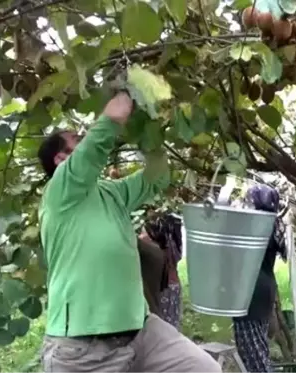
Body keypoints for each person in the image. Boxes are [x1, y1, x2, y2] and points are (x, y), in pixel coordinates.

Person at [37, 91, 221, 373]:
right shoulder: (59, 193)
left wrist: (149, 133)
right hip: (83, 348)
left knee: (203, 369)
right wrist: (114, 114)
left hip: (140, 330)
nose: (85, 138)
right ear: (61, 160)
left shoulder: (111, 192)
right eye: (78, 140)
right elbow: (93, 149)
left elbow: (157, 176)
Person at [233, 184, 287, 373]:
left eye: (248, 201)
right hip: (263, 289)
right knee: (258, 350)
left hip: (250, 294)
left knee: (254, 359)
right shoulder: (271, 224)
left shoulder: (255, 227)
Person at [140, 213, 184, 330]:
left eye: (143, 233)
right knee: (171, 328)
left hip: (163, 294)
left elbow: (131, 240)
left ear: (155, 236)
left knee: (162, 328)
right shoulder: (171, 250)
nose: (141, 236)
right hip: (173, 289)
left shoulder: (154, 252)